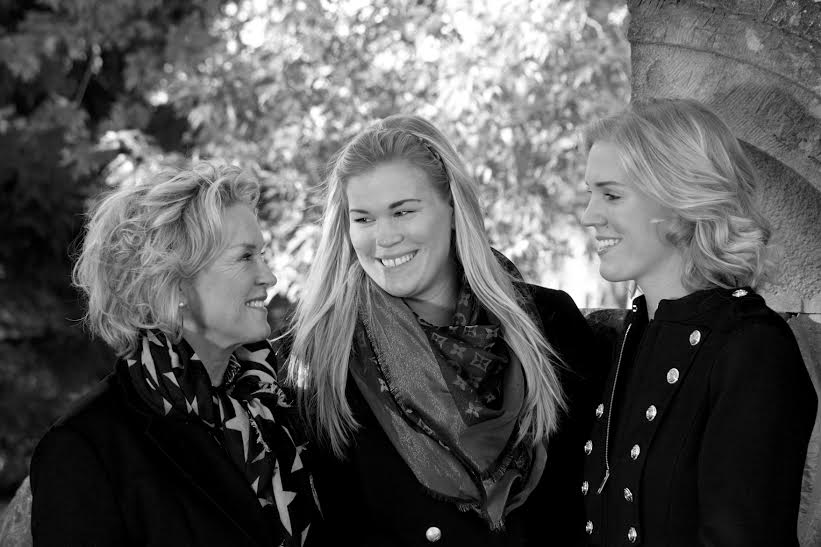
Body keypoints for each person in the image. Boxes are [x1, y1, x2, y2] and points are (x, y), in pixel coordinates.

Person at [283, 114, 599, 546]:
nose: (384, 238)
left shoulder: (549, 324)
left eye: (403, 211)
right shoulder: (322, 358)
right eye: (364, 219)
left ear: (452, 207)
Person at [29, 163, 323, 546]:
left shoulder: (283, 410)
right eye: (245, 257)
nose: (269, 276)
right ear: (174, 282)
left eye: (263, 254)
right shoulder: (87, 449)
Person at [579, 98, 817, 546]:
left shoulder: (752, 348)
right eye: (590, 194)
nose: (588, 215)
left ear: (680, 200)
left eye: (611, 195)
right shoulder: (631, 336)